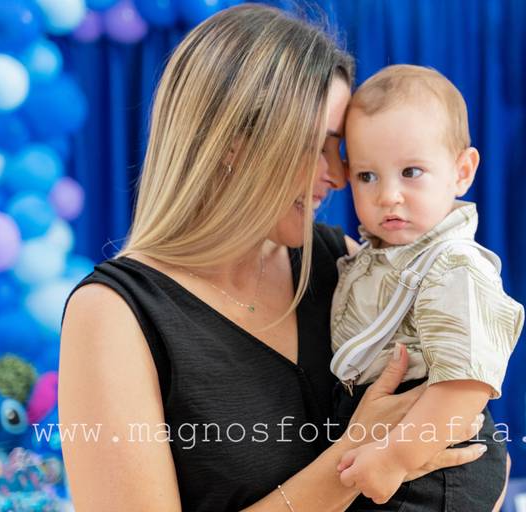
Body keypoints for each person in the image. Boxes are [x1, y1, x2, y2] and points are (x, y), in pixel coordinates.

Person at [58, 5, 489, 512]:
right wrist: (350, 462)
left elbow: (472, 446)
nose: (339, 176)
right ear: (232, 143)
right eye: (320, 147)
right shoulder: (115, 314)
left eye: (342, 152)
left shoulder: (346, 264)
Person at [329, 65, 525, 511]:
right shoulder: (376, 255)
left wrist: (396, 457)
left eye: (411, 171)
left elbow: (465, 384)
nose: (388, 195)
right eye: (367, 176)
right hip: (388, 447)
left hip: (432, 461)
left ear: (462, 171)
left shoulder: (455, 265)